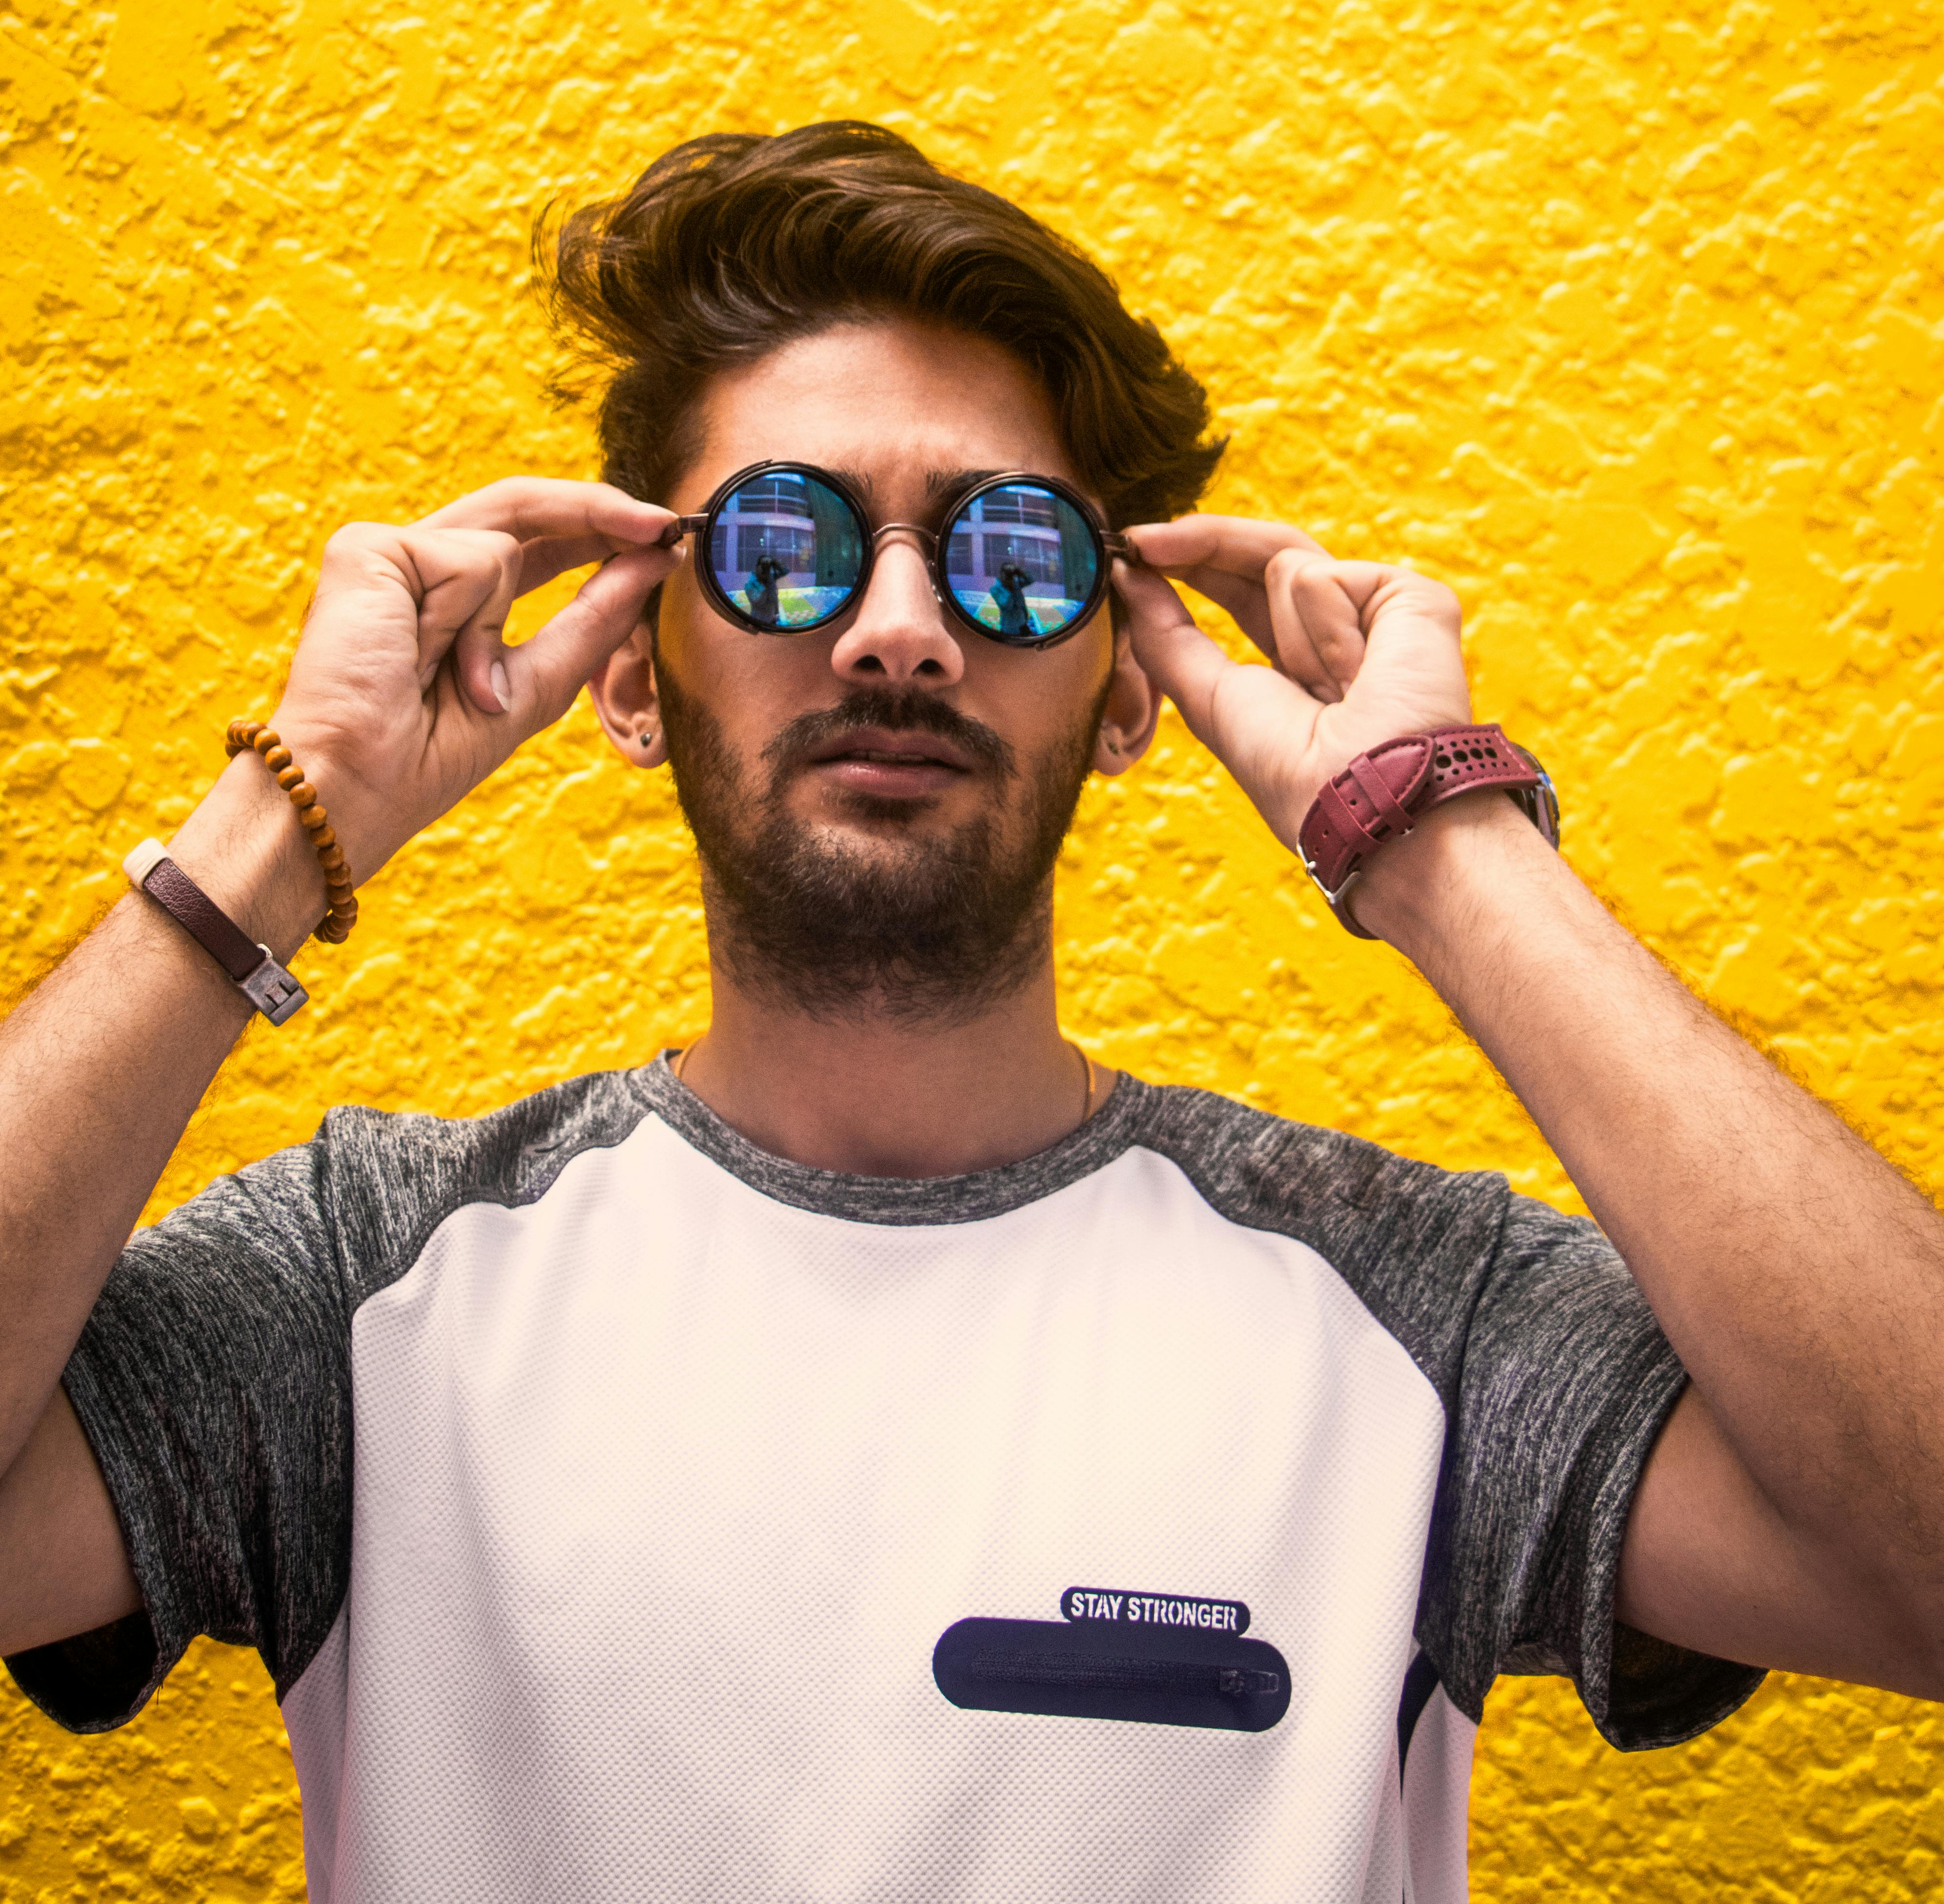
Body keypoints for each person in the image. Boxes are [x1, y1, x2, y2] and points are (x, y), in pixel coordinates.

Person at [1, 121, 1942, 1904]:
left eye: (1011, 558)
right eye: (784, 543)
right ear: (626, 670)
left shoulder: (1399, 1315)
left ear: (1124, 694)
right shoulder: (365, 1289)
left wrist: (1438, 851)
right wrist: (284, 819)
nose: (897, 628)